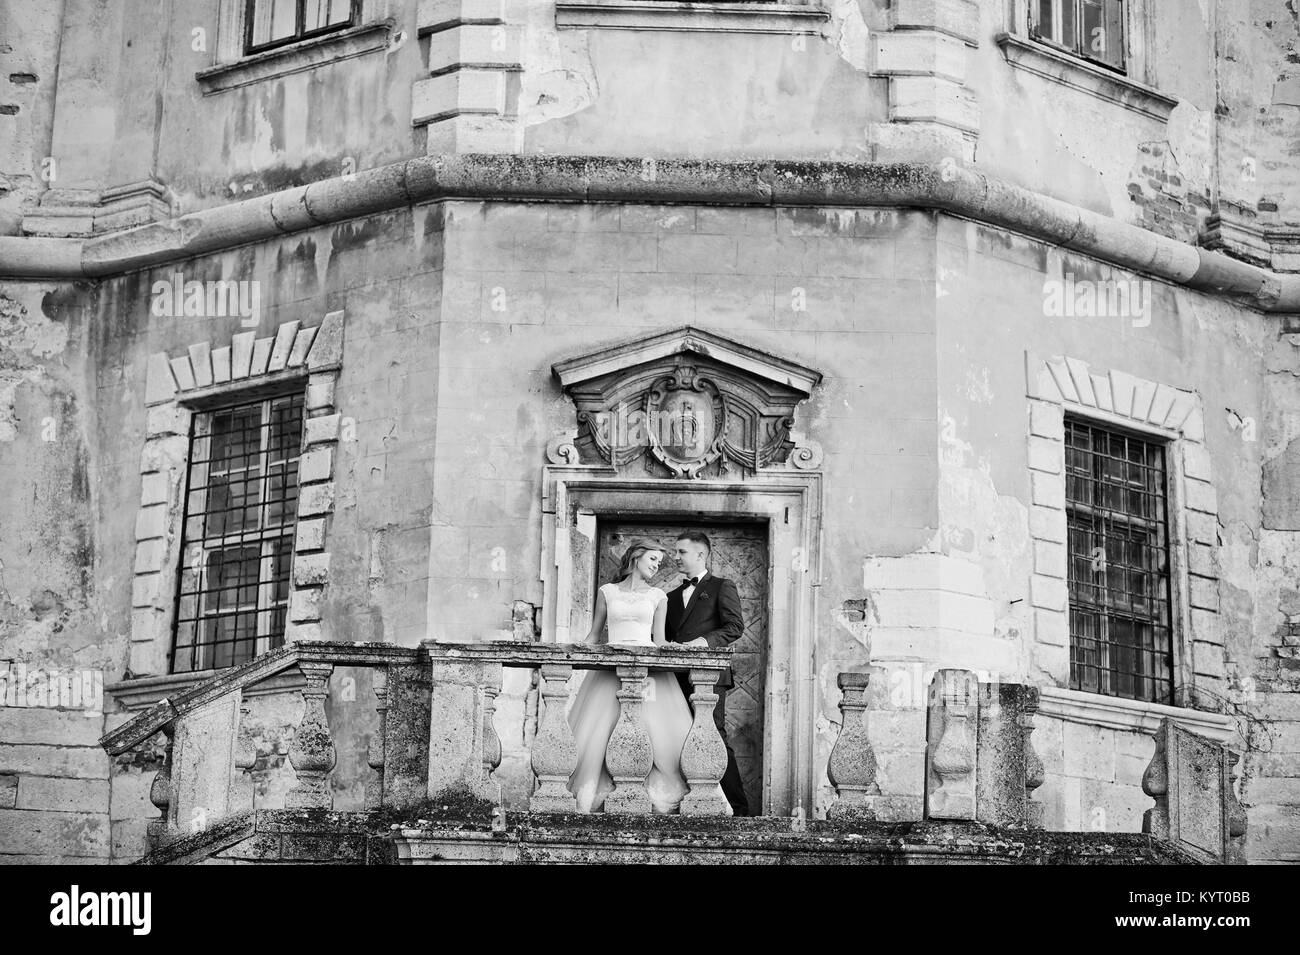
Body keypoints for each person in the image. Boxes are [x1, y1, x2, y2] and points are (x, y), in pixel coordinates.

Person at [566, 539, 695, 813]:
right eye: (653, 559)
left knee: (654, 732)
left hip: (646, 674)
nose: (656, 566)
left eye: (659, 563)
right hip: (610, 671)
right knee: (602, 731)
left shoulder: (658, 596)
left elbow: (658, 640)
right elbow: (593, 635)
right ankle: (598, 794)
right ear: (636, 557)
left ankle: (652, 794)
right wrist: (572, 650)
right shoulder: (607, 592)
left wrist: (673, 649)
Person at [665, 530, 750, 816]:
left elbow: (735, 626)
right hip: (675, 678)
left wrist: (702, 643)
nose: (675, 557)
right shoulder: (671, 597)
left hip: (710, 676)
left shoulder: (722, 586)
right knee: (677, 736)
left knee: (715, 736)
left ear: (701, 555)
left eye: (681, 552)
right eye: (676, 552)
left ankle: (738, 807)